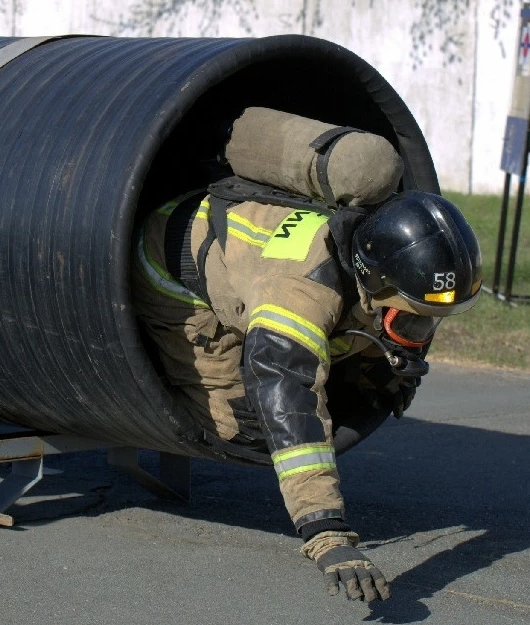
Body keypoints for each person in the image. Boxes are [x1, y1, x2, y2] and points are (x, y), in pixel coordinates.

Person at [130, 111, 484, 602]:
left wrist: (391, 369)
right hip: (173, 271)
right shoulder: (296, 293)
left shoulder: (373, 246)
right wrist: (326, 532)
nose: (418, 334)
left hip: (250, 258)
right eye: (410, 318)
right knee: (248, 432)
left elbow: (364, 318)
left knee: (356, 338)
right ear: (372, 279)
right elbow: (287, 399)